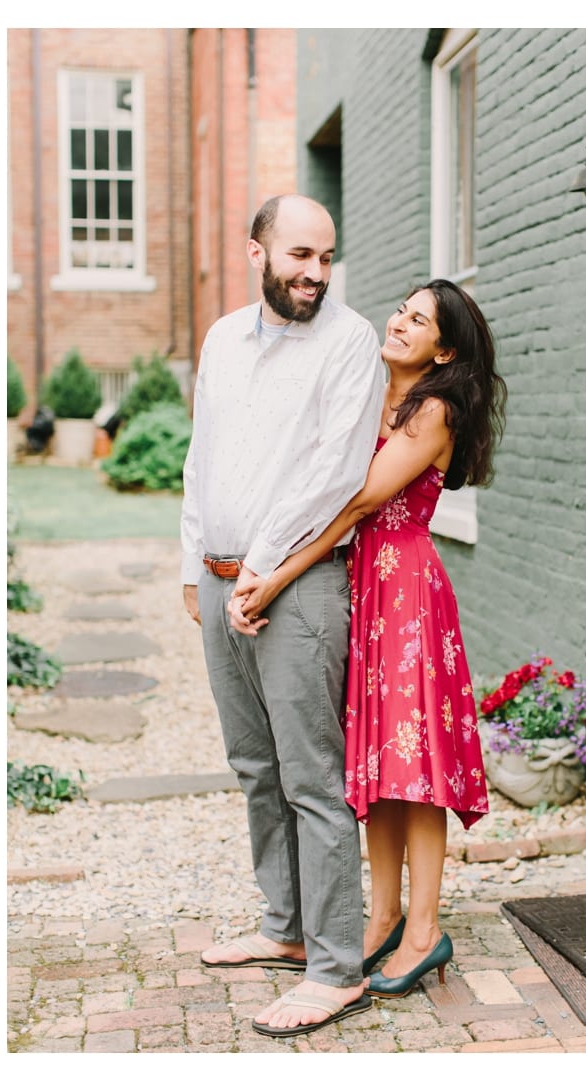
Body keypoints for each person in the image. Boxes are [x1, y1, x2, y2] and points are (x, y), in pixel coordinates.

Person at [230, 278, 506, 1003]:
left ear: (444, 348)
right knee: (381, 767)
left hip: (406, 588)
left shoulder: (435, 409)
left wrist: (278, 572)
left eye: (421, 320)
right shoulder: (374, 398)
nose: (401, 322)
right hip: (367, 586)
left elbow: (357, 501)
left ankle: (423, 930)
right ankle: (381, 914)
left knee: (416, 773)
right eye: (402, 310)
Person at [181, 194, 387, 1036]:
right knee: (253, 764)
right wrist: (194, 565)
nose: (315, 272)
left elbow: (332, 474)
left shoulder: (350, 341)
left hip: (295, 587)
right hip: (219, 577)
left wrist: (260, 570)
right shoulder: (224, 337)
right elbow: (205, 454)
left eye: (326, 257)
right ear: (256, 250)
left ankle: (338, 966)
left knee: (311, 775)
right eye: (299, 254)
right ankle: (286, 930)